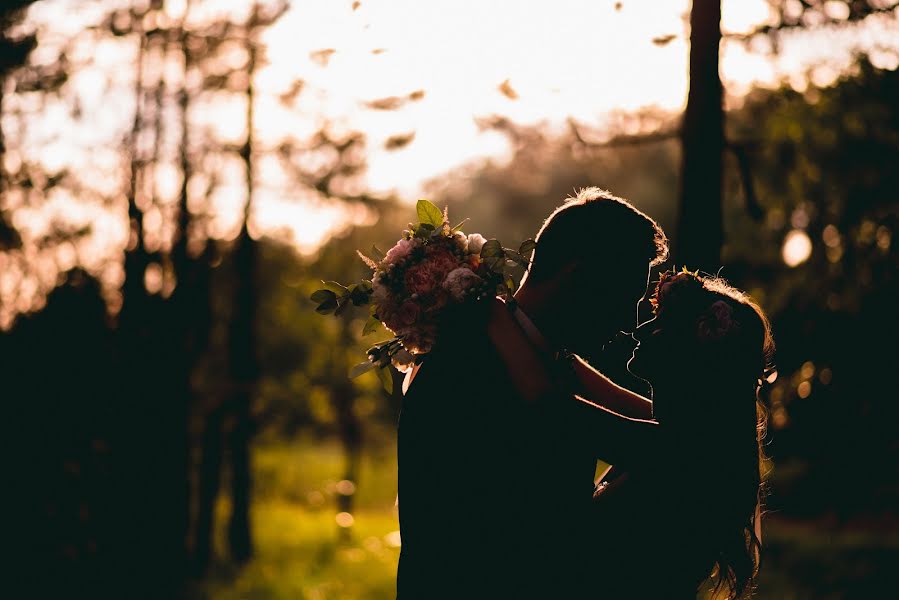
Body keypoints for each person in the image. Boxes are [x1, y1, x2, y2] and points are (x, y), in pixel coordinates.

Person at [396, 188, 668, 598]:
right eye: (625, 296)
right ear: (579, 278)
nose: (629, 322)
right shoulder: (472, 370)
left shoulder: (528, 358)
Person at [576, 270, 773, 599]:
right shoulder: (692, 438)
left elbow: (548, 401)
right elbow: (603, 393)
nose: (640, 331)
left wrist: (494, 309)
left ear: (690, 352)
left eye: (660, 322)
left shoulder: (675, 449)